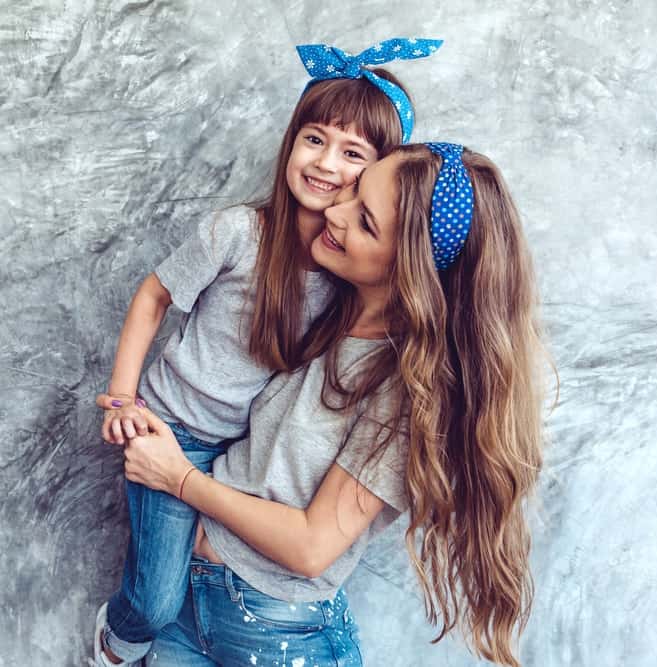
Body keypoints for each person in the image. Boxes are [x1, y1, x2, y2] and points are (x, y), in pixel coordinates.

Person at [120, 143, 546, 667]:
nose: (335, 213)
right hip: (188, 605)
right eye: (353, 193)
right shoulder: (327, 307)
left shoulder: (409, 396)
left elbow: (312, 547)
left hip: (279, 636)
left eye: (365, 222)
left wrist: (178, 479)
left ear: (410, 270)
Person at [92, 39, 444, 666]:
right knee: (151, 602)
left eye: (353, 155)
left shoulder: (354, 291)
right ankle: (112, 645)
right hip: (170, 427)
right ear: (290, 141)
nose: (327, 164)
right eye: (314, 139)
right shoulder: (238, 233)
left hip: (235, 473)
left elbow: (312, 524)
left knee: (165, 595)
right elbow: (154, 296)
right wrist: (123, 397)